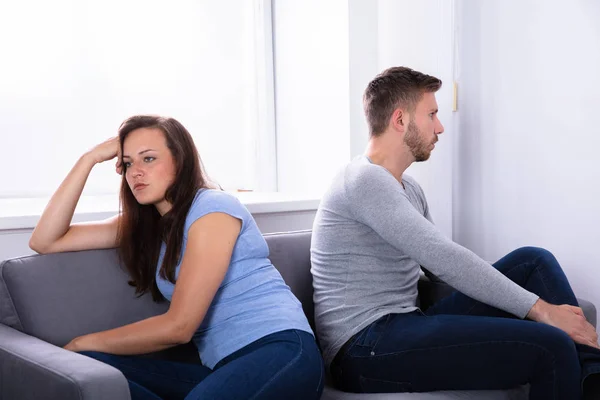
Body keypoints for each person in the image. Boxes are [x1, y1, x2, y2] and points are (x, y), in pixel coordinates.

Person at [310, 66, 600, 399]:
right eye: (431, 114)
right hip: (364, 346)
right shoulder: (363, 180)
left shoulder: (408, 188)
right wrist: (542, 311)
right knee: (552, 346)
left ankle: (592, 373)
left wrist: (503, 308)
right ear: (400, 120)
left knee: (532, 261)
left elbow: (436, 271)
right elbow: (446, 259)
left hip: (404, 323)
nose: (440, 127)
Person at [29, 115, 324, 400]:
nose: (135, 172)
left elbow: (179, 327)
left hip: (282, 353)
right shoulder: (146, 228)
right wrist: (89, 159)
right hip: (222, 369)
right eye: (128, 162)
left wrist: (81, 341)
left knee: (85, 350)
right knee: (92, 365)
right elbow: (45, 240)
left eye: (148, 158)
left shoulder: (213, 208)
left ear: (180, 161)